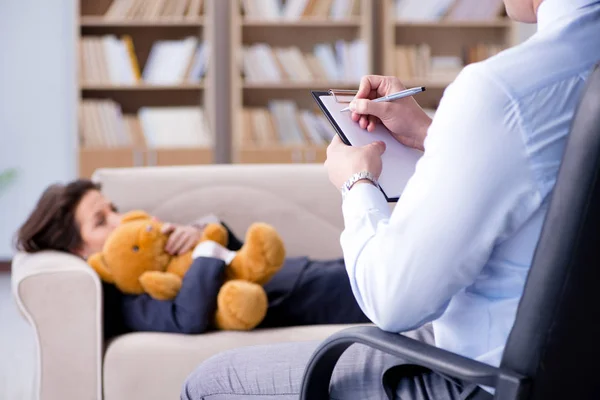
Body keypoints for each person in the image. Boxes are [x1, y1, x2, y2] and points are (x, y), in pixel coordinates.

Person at [179, 0, 600, 399]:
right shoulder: (571, 78)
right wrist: (433, 135)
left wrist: (356, 182)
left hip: (487, 378)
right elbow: (550, 177)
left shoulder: (502, 91)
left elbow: (393, 301)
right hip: (574, 368)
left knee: (210, 382)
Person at [15, 179, 370, 339]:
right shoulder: (128, 298)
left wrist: (205, 233)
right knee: (390, 282)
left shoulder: (155, 245)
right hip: (302, 298)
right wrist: (205, 253)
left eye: (113, 210)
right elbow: (190, 317)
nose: (120, 220)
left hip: (303, 272)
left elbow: (240, 252)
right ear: (79, 250)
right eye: (100, 221)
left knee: (374, 265)